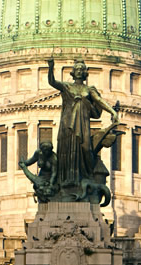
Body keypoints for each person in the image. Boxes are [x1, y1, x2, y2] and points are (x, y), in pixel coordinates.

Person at [47, 58, 119, 188]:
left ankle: (83, 176)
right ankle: (66, 180)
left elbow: (99, 101)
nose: (79, 71)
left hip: (83, 124)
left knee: (85, 149)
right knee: (67, 150)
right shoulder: (67, 86)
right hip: (67, 124)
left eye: (82, 69)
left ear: (85, 73)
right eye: (77, 69)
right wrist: (51, 67)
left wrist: (113, 112)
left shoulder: (89, 89)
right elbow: (52, 82)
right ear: (73, 73)